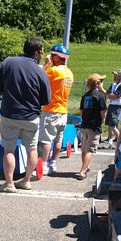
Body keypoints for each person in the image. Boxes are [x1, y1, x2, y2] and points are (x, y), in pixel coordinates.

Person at [0, 37, 51, 193]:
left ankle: (9, 184)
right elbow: (46, 100)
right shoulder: (40, 71)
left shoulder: (8, 62)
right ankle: (26, 180)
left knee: (9, 150)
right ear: (38, 52)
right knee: (32, 148)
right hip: (31, 116)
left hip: (9, 114)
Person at [39, 44, 73, 175]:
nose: (51, 57)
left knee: (46, 141)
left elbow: (40, 76)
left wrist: (47, 63)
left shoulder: (54, 71)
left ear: (57, 57)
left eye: (53, 55)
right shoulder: (69, 72)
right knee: (58, 140)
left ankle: (45, 165)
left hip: (51, 110)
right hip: (63, 110)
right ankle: (53, 163)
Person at [75, 73, 107, 180]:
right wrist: (102, 120)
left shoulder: (85, 95)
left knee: (84, 148)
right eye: (101, 81)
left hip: (85, 125)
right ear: (97, 83)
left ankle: (85, 166)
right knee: (90, 150)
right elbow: (103, 112)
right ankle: (82, 171)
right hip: (94, 126)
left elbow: (81, 111)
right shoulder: (100, 96)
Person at [103, 69, 121, 148]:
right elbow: (107, 94)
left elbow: (113, 96)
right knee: (110, 124)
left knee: (113, 124)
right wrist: (110, 95)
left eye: (116, 75)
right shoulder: (113, 84)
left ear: (120, 76)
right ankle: (110, 141)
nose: (114, 76)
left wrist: (102, 89)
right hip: (112, 105)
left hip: (118, 106)